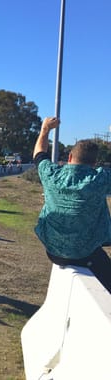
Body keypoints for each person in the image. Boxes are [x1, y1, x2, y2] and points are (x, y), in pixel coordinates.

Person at [33, 116, 111, 293]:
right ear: (94, 163)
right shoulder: (101, 178)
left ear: (69, 157)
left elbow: (39, 154)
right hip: (86, 254)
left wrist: (45, 129)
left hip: (53, 252)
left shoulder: (51, 174)